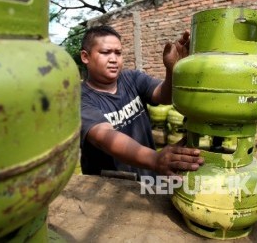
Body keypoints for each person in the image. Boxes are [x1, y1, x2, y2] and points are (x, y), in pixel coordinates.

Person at [80, 25, 204, 179]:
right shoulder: (79, 99)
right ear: (85, 57)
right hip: (111, 186)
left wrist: (174, 70)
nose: (113, 59)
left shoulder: (131, 78)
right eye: (105, 52)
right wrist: (155, 159)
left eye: (118, 53)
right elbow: (104, 135)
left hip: (148, 175)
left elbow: (163, 96)